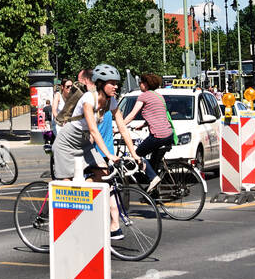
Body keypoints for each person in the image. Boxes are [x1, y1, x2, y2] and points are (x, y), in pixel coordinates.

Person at [51, 64, 139, 240]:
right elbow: (93, 130)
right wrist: (109, 155)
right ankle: (66, 230)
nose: (116, 86)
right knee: (67, 184)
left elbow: (122, 126)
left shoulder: (111, 101)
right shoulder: (88, 99)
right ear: (100, 84)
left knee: (104, 174)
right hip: (66, 143)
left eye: (117, 83)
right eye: (111, 83)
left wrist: (134, 153)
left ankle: (93, 208)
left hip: (84, 144)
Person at [119, 72, 173, 193]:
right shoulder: (159, 96)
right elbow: (158, 116)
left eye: (141, 83)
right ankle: (153, 193)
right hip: (168, 135)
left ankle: (153, 179)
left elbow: (132, 115)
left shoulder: (143, 96)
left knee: (137, 154)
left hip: (158, 136)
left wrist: (119, 127)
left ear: (146, 84)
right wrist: (143, 125)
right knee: (153, 163)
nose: (139, 85)